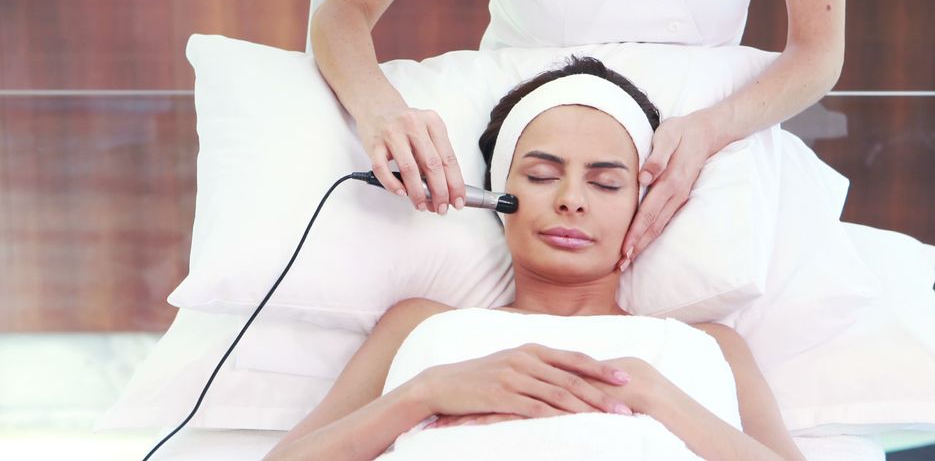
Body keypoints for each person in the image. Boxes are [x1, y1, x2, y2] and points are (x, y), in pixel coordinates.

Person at [262, 57, 804, 461]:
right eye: (542, 177)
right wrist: (424, 394)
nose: (571, 199)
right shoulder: (422, 325)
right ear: (500, 196)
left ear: (644, 208)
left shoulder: (710, 345)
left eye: (607, 183)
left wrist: (654, 396)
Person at [310, 0, 861, 271]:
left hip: (698, 142)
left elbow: (817, 53)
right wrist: (381, 109)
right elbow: (343, 12)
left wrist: (710, 131)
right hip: (526, 135)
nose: (576, 202)